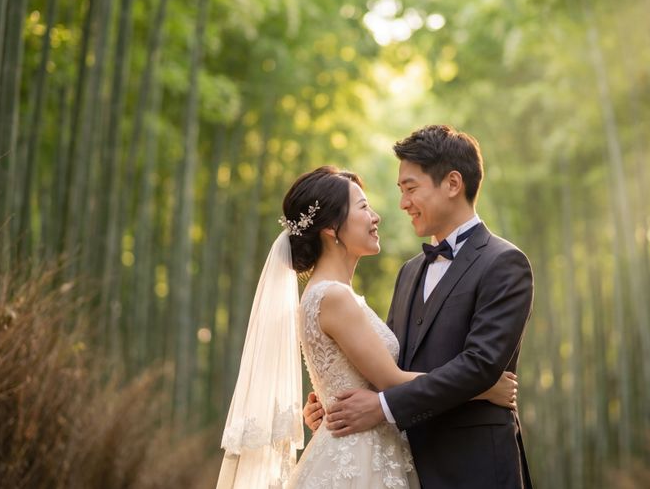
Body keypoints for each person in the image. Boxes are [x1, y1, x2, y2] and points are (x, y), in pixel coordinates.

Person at [216, 166, 517, 488]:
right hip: (357, 457)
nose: (376, 217)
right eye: (363, 208)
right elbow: (390, 379)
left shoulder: (333, 295)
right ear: (332, 227)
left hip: (367, 447)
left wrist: (324, 402)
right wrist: (482, 388)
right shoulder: (333, 296)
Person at [305, 126, 535, 488]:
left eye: (410, 189)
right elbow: (389, 363)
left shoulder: (504, 263)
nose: (402, 203)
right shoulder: (410, 272)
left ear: (453, 184)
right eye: (400, 191)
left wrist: (380, 406)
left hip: (475, 467)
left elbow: (481, 364)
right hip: (405, 466)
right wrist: (331, 401)